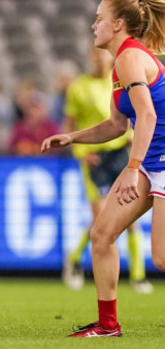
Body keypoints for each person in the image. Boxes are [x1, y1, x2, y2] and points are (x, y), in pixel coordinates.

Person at [42, 0, 165, 337]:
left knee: (161, 258)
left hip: (159, 163)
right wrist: (72, 137)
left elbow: (148, 114)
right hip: (152, 163)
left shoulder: (128, 59)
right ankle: (108, 325)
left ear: (118, 24)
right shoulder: (120, 63)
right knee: (101, 234)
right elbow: (117, 125)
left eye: (99, 18)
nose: (93, 24)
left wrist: (131, 167)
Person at [62, 44, 153, 294]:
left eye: (105, 57)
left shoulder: (119, 80)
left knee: (130, 219)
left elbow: (128, 118)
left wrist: (134, 139)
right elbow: (69, 124)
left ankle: (138, 276)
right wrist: (81, 152)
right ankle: (74, 260)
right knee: (101, 219)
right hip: (94, 158)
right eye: (96, 57)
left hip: (120, 154)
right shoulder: (78, 87)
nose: (101, 61)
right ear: (91, 59)